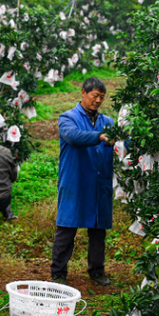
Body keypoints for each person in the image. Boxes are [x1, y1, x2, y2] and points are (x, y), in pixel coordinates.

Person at [52, 77, 114, 287]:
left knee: (98, 229)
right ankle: (58, 272)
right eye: (95, 96)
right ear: (83, 93)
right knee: (67, 227)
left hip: (99, 182)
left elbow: (123, 143)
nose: (98, 101)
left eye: (102, 97)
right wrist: (100, 137)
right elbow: (73, 137)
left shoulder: (108, 122)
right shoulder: (67, 118)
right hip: (76, 181)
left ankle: (97, 271)